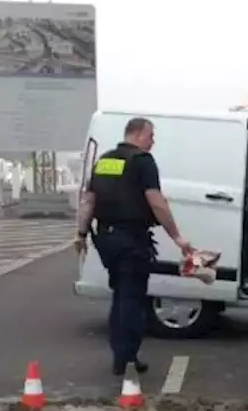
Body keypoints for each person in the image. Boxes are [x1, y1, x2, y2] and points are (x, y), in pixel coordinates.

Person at [74, 117, 194, 376]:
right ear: (138, 134)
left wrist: (81, 234)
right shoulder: (142, 161)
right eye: (151, 135)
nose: (153, 141)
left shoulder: (104, 160)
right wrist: (177, 237)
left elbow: (88, 201)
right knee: (131, 298)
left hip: (106, 239)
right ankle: (126, 356)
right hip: (131, 241)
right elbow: (157, 202)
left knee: (120, 294)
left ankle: (121, 353)